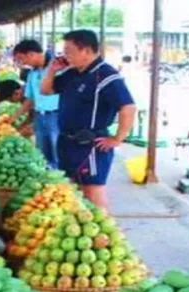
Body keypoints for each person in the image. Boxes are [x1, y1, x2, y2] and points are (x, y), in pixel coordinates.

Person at [42, 30, 136, 209]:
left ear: (85, 50)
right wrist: (52, 70)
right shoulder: (72, 74)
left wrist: (117, 139)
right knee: (73, 190)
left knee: (92, 190)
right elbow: (46, 91)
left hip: (90, 144)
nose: (65, 55)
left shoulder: (106, 76)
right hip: (67, 141)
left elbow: (128, 107)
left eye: (69, 51)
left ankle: (105, 234)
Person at [13, 39, 62, 168]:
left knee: (58, 153)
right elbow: (30, 99)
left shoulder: (58, 66)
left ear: (31, 54)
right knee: (42, 155)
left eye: (22, 58)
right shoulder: (32, 73)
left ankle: (62, 184)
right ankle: (48, 184)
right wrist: (14, 117)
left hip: (57, 116)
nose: (22, 63)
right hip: (40, 116)